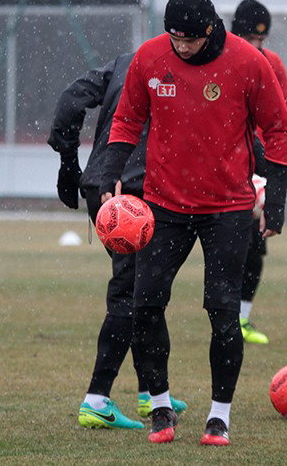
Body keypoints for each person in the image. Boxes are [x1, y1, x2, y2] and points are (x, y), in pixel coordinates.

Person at [100, 0, 287, 446]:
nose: (181, 47)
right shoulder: (150, 59)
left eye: (189, 40)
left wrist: (278, 201)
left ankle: (219, 416)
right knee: (144, 306)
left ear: (210, 29)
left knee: (222, 312)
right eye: (174, 38)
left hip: (227, 209)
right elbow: (127, 119)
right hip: (163, 206)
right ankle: (161, 407)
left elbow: (279, 129)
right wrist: (111, 174)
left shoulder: (248, 63)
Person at [48, 52, 187, 430]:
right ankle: (97, 399)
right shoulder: (183, 68)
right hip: (138, 193)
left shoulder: (125, 63)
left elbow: (71, 100)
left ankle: (149, 393)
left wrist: (69, 162)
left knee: (144, 291)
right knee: (133, 294)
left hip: (102, 186)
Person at [230, 0, 287, 344]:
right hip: (228, 163)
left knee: (255, 242)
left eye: (261, 39)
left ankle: (240, 320)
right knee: (229, 244)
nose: (257, 46)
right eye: (250, 38)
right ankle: (227, 316)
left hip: (259, 167)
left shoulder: (271, 64)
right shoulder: (222, 61)